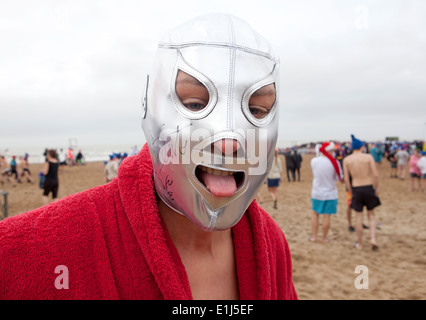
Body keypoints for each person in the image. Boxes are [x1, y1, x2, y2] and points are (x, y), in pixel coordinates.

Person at [0, 14, 297, 300]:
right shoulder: (24, 250)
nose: (230, 143)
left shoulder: (272, 246)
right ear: (150, 103)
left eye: (257, 110)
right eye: (195, 104)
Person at [343, 135, 380, 251]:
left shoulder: (347, 160)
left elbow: (346, 179)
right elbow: (376, 175)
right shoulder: (368, 157)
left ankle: (360, 243)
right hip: (368, 186)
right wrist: (375, 188)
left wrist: (350, 191)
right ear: (361, 147)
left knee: (358, 217)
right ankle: (373, 239)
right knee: (371, 216)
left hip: (356, 188)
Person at [309, 142, 343, 244]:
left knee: (315, 214)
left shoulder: (314, 161)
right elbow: (338, 178)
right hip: (330, 193)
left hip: (317, 192)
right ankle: (323, 238)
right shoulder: (335, 162)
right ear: (330, 151)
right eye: (332, 150)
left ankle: (314, 237)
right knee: (327, 216)